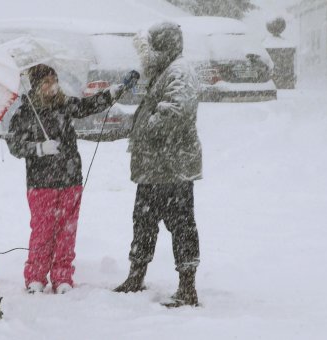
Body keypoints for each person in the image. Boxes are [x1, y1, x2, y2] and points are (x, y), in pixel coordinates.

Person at [6, 64, 124, 294]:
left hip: (70, 179)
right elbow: (14, 144)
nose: (52, 86)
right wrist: (39, 148)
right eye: (46, 82)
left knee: (66, 233)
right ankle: (36, 276)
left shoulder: (64, 104)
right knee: (43, 232)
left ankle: (62, 277)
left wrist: (110, 94)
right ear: (36, 85)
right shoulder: (25, 112)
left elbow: (87, 106)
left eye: (54, 80)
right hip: (41, 183)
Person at [113, 22, 203, 308]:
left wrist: (145, 127)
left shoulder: (179, 72)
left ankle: (187, 287)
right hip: (154, 166)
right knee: (143, 221)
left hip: (172, 167)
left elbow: (176, 112)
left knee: (181, 225)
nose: (144, 58)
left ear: (162, 48)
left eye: (148, 50)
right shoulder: (165, 71)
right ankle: (136, 275)